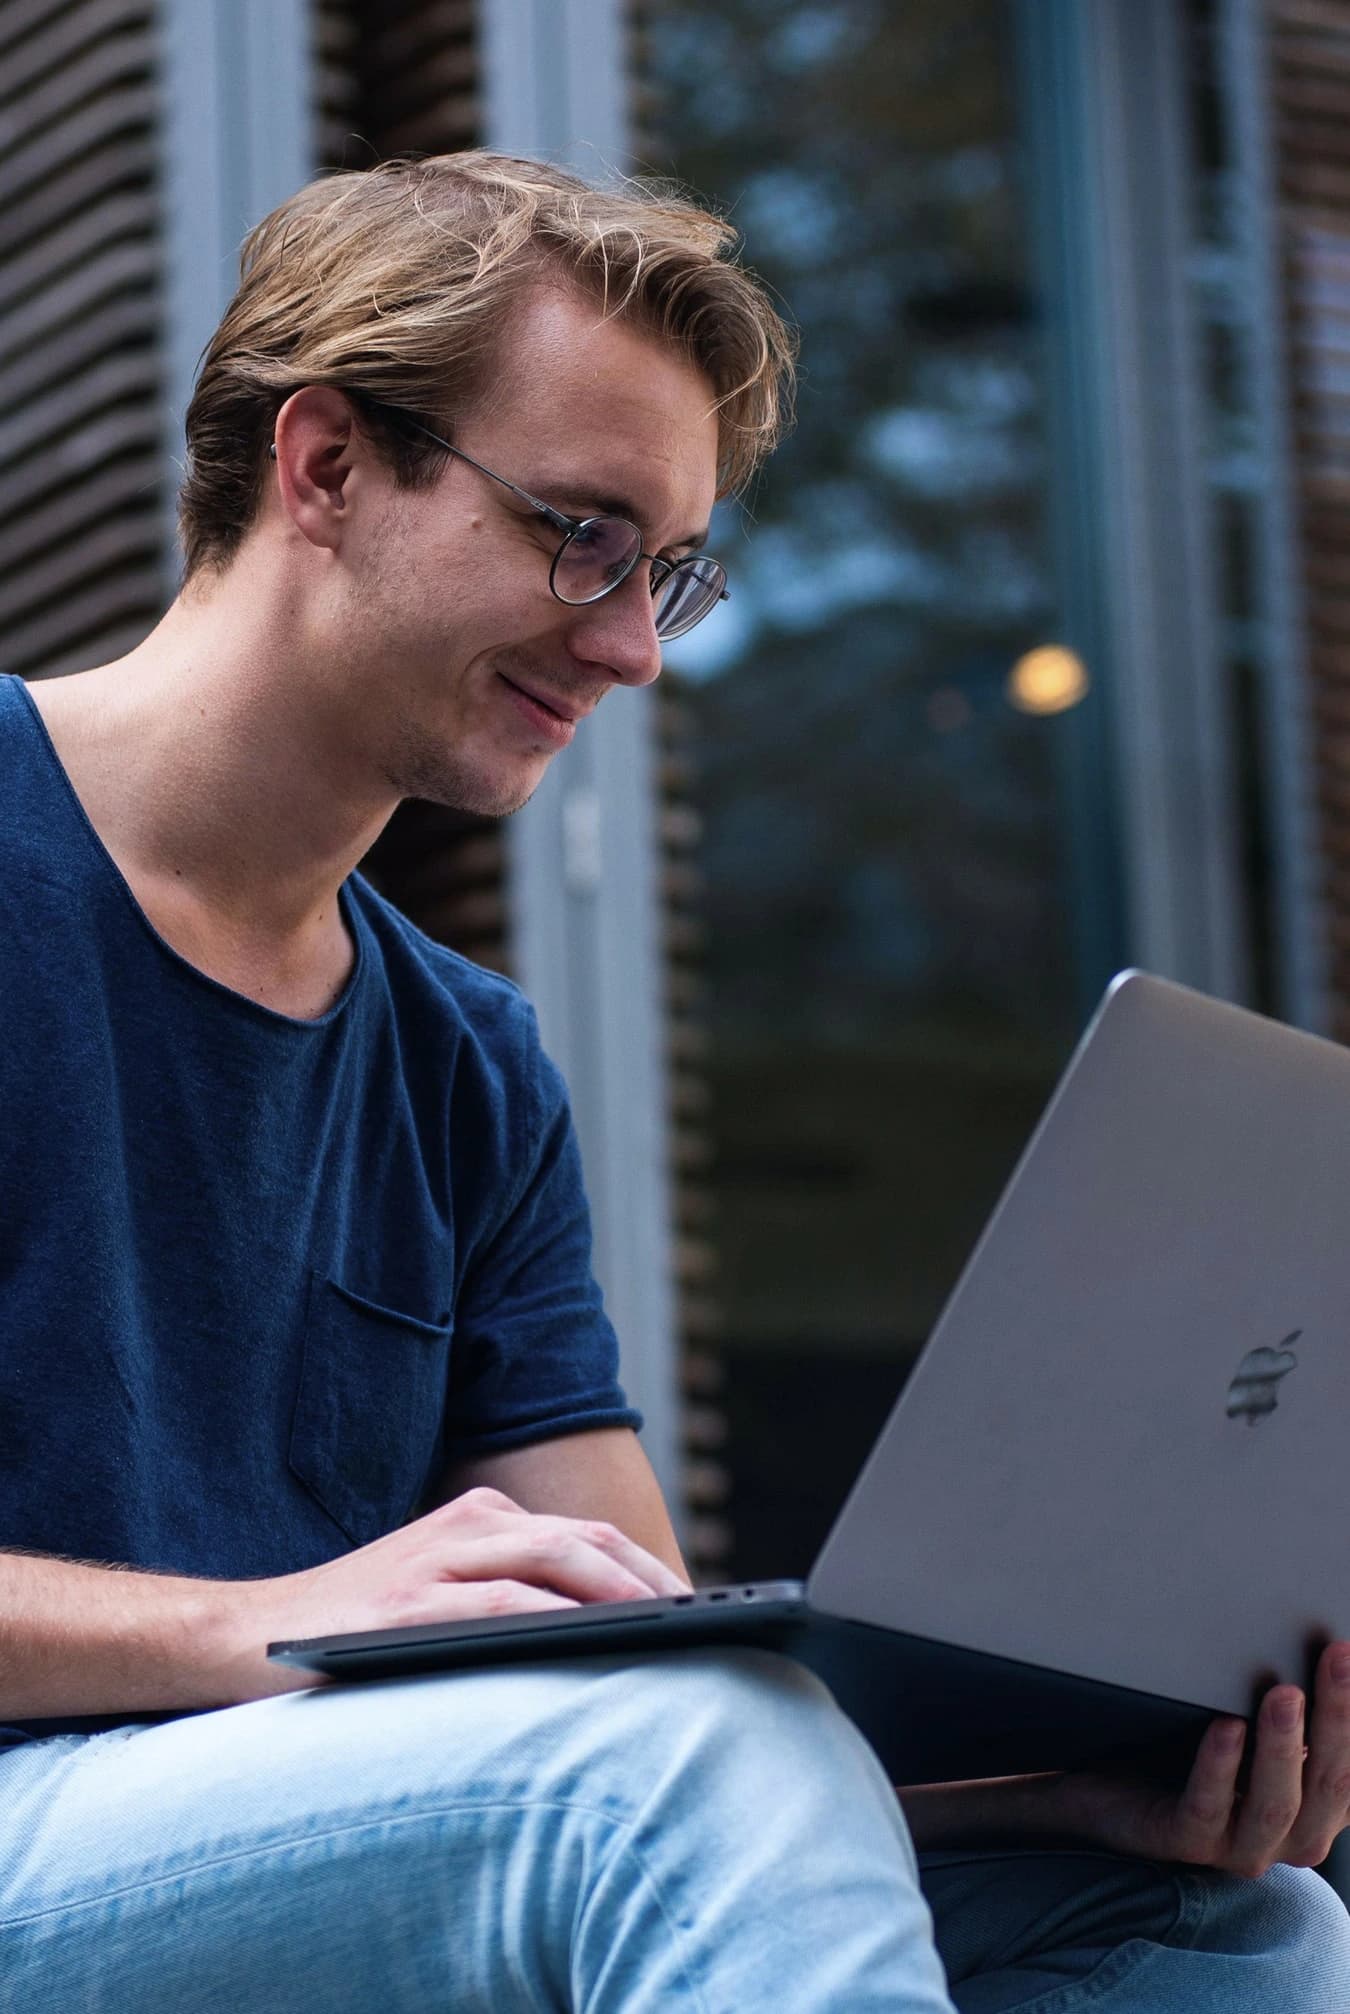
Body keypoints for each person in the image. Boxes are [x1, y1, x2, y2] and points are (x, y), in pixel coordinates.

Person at [0, 151, 1347, 2013]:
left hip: (316, 1847)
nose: (632, 644)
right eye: (580, 534)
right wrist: (259, 1625)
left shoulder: (464, 1064)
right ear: (322, 468)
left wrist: (1054, 1788)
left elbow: (663, 1669)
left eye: (670, 571)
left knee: (1232, 1922)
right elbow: (651, 1763)